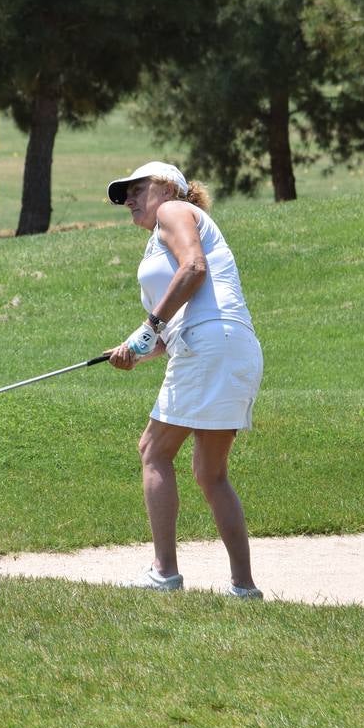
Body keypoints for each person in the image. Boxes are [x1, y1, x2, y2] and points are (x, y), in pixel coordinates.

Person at [105, 161, 264, 599]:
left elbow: (194, 269)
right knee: (209, 473)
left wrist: (149, 325)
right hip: (232, 346)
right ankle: (244, 588)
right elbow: (172, 332)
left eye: (138, 188)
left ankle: (165, 574)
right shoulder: (158, 243)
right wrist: (137, 351)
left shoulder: (174, 212)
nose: (130, 199)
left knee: (153, 450)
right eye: (124, 195)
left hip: (213, 342)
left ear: (170, 187)